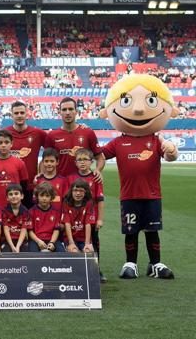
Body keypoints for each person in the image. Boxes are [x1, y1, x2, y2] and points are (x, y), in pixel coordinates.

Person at [99, 74, 179, 279]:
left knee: (152, 231)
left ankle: (155, 264)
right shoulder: (118, 142)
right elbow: (99, 153)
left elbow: (169, 155)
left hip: (152, 195)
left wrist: (171, 149)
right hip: (129, 196)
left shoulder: (155, 139)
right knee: (131, 231)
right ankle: (130, 264)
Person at [0, 101, 47, 208]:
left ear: (26, 114)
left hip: (29, 186)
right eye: (16, 113)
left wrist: (42, 172)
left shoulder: (38, 133)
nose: (19, 115)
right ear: (12, 115)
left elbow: (52, 152)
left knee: (27, 219)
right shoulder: (4, 133)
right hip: (7, 188)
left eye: (22, 112)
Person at [68, 148, 106, 281]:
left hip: (91, 218)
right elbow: (67, 200)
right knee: (75, 242)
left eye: (85, 159)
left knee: (94, 243)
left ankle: (96, 269)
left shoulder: (95, 177)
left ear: (91, 162)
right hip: (74, 218)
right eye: (79, 160)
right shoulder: (71, 178)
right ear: (75, 162)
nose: (82, 162)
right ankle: (76, 271)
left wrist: (100, 219)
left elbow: (100, 200)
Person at [44, 97, 104, 178]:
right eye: (64, 110)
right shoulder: (52, 135)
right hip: (61, 184)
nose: (67, 112)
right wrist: (42, 176)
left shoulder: (88, 132)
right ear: (59, 112)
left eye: (71, 109)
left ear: (76, 111)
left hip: (82, 185)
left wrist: (98, 170)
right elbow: (45, 160)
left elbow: (100, 157)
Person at [62, 179, 95, 254]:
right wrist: (71, 243)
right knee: (74, 251)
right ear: (71, 191)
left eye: (81, 191)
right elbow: (67, 224)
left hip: (84, 239)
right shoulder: (66, 203)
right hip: (70, 239)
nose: (78, 193)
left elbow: (88, 223)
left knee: (88, 251)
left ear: (85, 192)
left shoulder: (89, 203)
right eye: (75, 190)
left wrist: (87, 244)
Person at [28, 183, 63, 252]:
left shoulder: (56, 212)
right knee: (32, 254)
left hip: (52, 239)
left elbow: (56, 230)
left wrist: (52, 242)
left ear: (52, 197)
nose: (44, 198)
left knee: (61, 252)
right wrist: (38, 241)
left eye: (47, 196)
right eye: (41, 195)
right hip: (36, 240)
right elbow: (30, 231)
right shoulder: (31, 211)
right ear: (37, 196)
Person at [1, 184, 31, 253]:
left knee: (25, 252)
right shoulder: (4, 211)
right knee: (6, 253)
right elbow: (6, 229)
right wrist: (12, 246)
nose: (13, 196)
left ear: (22, 196)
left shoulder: (26, 211)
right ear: (7, 198)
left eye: (16, 194)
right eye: (10, 194)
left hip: (21, 241)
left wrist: (17, 246)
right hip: (8, 241)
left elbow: (24, 229)